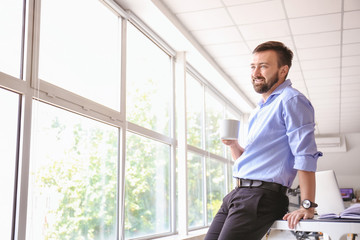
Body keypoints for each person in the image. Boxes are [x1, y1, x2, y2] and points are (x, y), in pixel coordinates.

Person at [204, 41, 322, 240]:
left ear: (283, 70)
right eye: (253, 66)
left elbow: (305, 155)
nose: (255, 72)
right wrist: (234, 145)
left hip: (261, 197)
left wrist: (307, 205)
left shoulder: (291, 100)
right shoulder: (259, 109)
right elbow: (250, 162)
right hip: (237, 193)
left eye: (264, 66)